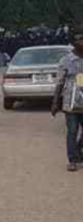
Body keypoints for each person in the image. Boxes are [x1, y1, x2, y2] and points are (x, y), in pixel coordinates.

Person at [52, 24, 83, 172]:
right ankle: (72, 159)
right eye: (78, 39)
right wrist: (55, 102)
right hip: (70, 102)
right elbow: (59, 82)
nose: (81, 42)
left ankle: (77, 150)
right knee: (72, 130)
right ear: (72, 42)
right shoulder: (66, 61)